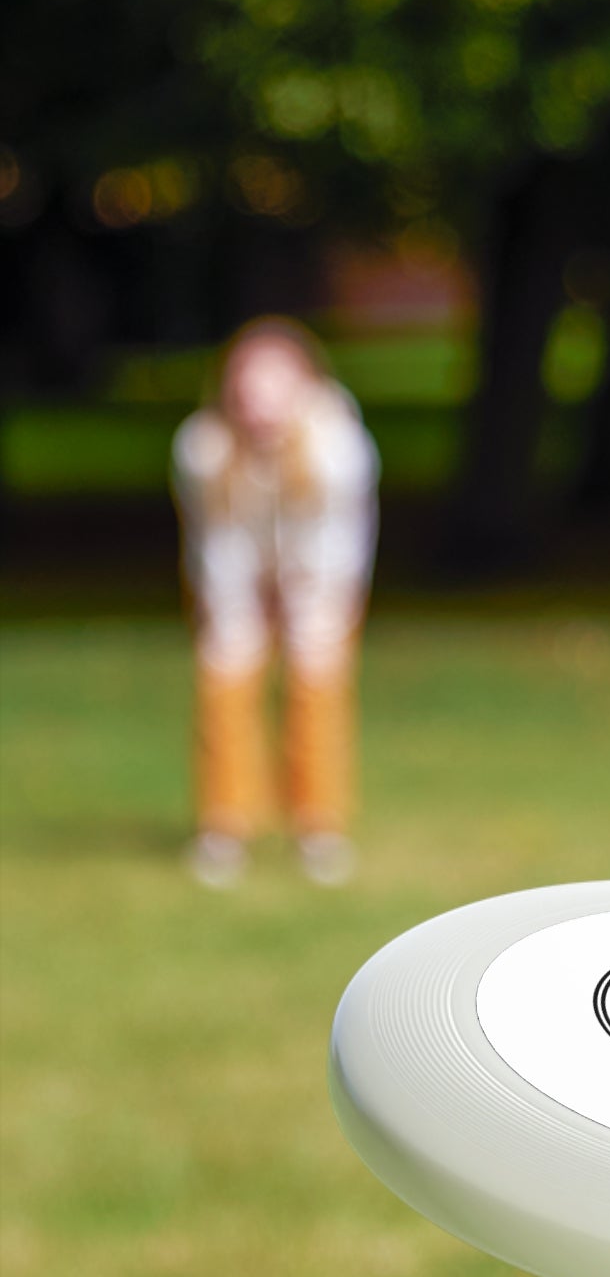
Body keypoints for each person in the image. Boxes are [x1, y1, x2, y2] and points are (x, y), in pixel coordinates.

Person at [172, 317, 380, 888]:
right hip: (235, 577)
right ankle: (224, 826)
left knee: (317, 684)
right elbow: (216, 541)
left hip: (319, 578)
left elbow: (336, 541)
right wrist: (237, 608)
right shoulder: (203, 448)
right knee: (224, 679)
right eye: (248, 386)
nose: (259, 402)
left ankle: (318, 827)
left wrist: (305, 601)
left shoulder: (338, 447)